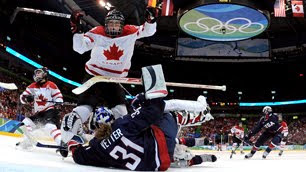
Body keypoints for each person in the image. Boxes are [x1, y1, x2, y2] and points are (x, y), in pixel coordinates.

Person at [63, 95, 216, 171]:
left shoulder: (96, 147)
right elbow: (155, 111)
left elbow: (77, 155)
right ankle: (202, 113)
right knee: (168, 113)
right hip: (161, 144)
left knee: (149, 139)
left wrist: (70, 143)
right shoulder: (121, 124)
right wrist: (146, 100)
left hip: (156, 165)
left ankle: (193, 158)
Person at [18, 67, 63, 149]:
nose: (37, 74)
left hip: (50, 111)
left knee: (50, 126)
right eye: (36, 73)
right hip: (39, 113)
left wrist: (58, 101)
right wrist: (26, 98)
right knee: (25, 122)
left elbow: (58, 96)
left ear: (45, 74)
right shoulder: (32, 86)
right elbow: (22, 97)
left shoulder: (51, 85)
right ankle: (28, 141)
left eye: (39, 72)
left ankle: (62, 143)